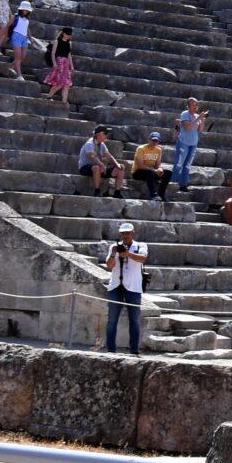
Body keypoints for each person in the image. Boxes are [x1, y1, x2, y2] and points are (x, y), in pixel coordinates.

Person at [103, 222, 147, 354]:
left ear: (132, 233)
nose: (125, 235)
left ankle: (134, 350)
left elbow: (143, 259)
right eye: (123, 233)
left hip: (133, 288)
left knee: (134, 320)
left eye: (128, 233)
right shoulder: (114, 247)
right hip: (116, 286)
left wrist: (128, 254)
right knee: (112, 320)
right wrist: (113, 254)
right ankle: (111, 350)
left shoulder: (140, 246)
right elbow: (109, 266)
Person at [79, 127, 125, 198]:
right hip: (85, 168)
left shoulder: (102, 144)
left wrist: (117, 164)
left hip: (99, 167)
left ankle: (117, 192)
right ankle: (97, 191)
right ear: (99, 134)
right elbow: (92, 157)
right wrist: (102, 165)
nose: (107, 135)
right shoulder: (89, 143)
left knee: (120, 169)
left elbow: (109, 156)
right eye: (105, 133)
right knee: (96, 167)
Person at [173, 97, 207, 189]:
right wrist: (198, 118)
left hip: (193, 143)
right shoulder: (185, 114)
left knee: (187, 165)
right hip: (183, 142)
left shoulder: (197, 116)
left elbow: (200, 130)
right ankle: (172, 184)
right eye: (193, 105)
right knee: (179, 164)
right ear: (188, 106)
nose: (195, 106)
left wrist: (202, 120)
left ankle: (183, 185)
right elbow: (187, 127)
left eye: (196, 105)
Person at [131, 132, 170, 202]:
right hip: (138, 172)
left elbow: (158, 164)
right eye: (153, 140)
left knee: (168, 173)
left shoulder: (159, 150)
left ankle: (161, 194)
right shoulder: (141, 148)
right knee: (149, 172)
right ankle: (153, 195)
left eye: (156, 141)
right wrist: (154, 170)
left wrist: (160, 169)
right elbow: (140, 165)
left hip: (150, 172)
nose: (154, 142)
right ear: (149, 140)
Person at [44, 24, 75, 106]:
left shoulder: (69, 43)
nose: (68, 36)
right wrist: (54, 63)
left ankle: (64, 102)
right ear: (63, 33)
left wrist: (72, 66)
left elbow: (69, 55)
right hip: (59, 62)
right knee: (60, 83)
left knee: (66, 84)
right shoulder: (57, 41)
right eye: (67, 34)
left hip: (66, 64)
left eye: (69, 35)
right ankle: (49, 96)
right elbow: (53, 53)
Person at [6, 0, 35, 78]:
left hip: (24, 38)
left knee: (23, 56)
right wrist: (6, 36)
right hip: (16, 36)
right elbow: (7, 26)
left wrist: (31, 38)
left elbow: (27, 29)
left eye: (27, 10)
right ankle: (19, 75)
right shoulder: (15, 17)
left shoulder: (26, 20)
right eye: (25, 9)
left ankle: (11, 67)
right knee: (18, 56)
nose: (26, 11)